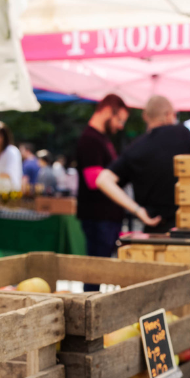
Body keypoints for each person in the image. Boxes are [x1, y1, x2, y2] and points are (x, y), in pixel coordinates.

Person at [96, 95, 190, 233]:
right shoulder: (182, 133)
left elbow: (103, 180)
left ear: (146, 117)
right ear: (169, 115)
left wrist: (137, 210)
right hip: (186, 228)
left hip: (153, 230)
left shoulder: (135, 148)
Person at [76, 94, 130, 263]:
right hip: (98, 218)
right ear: (107, 111)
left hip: (106, 219)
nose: (120, 126)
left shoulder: (101, 139)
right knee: (96, 271)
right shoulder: (90, 139)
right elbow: (95, 181)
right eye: (119, 120)